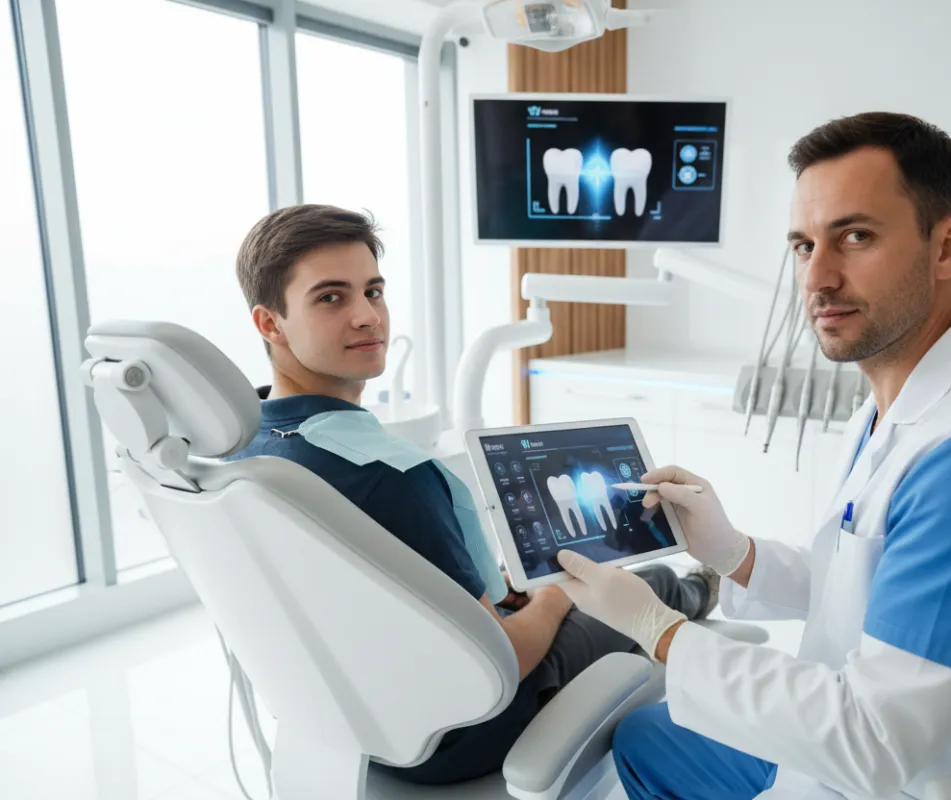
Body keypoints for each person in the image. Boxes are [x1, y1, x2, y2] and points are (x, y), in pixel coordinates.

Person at [553, 112, 951, 799]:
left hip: (917, 781)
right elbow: (871, 589)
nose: (817, 277)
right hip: (855, 750)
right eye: (802, 245)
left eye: (855, 237)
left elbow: (872, 741)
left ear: (947, 247)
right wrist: (734, 553)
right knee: (649, 735)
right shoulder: (895, 407)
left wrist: (658, 628)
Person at [226, 204, 720, 784]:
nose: (368, 316)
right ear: (270, 323)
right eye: (331, 297)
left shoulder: (245, 451)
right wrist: (555, 597)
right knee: (645, 583)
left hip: (344, 721)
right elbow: (504, 662)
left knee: (523, 585)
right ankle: (697, 589)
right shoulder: (395, 477)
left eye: (374, 291)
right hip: (461, 735)